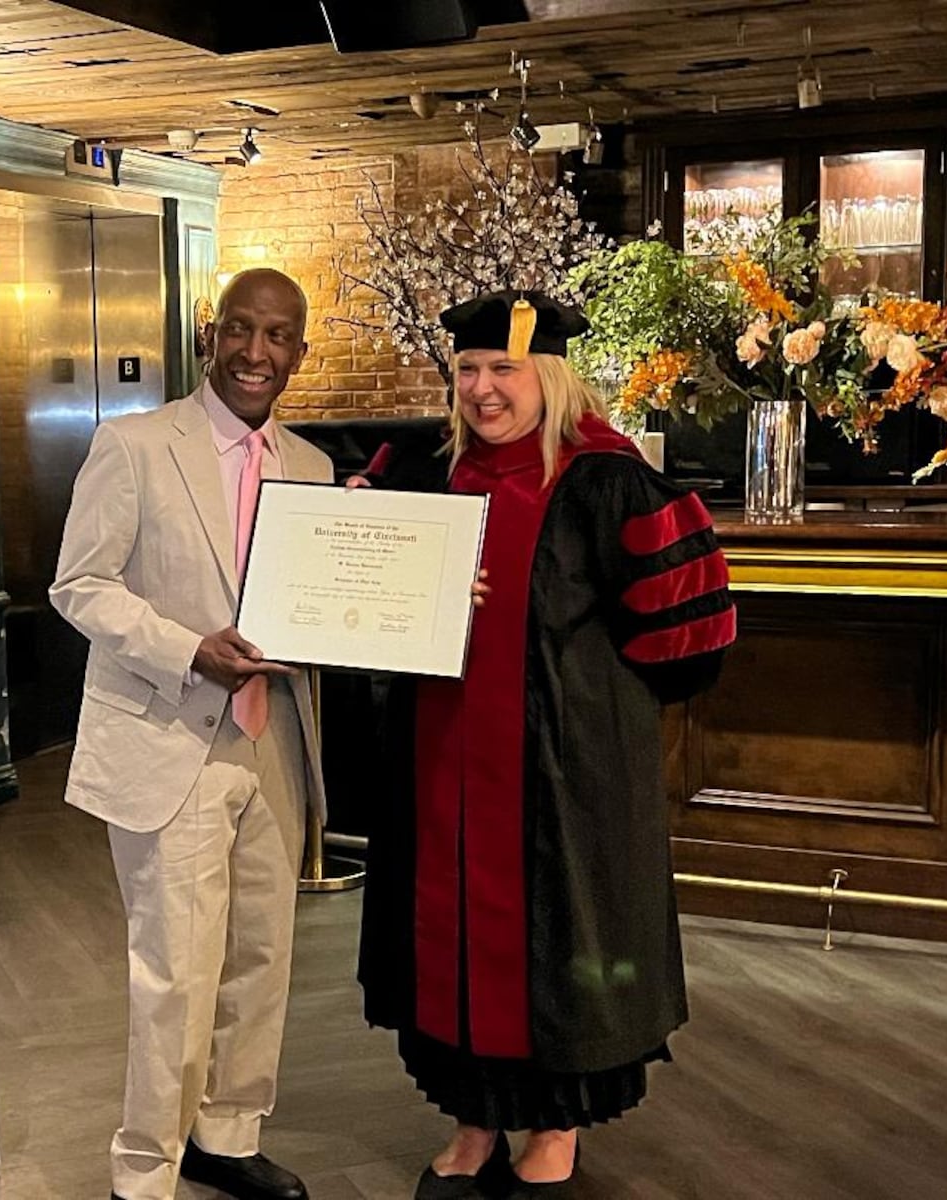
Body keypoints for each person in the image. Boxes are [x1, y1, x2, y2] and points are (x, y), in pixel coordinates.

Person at [355, 291, 737, 1199]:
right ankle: (474, 1120)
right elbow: (361, 601)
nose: (485, 391)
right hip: (439, 761)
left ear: (550, 376)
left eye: (505, 370)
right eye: (470, 372)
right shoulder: (420, 471)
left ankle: (555, 1127)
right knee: (446, 936)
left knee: (561, 939)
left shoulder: (607, 481)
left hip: (563, 775)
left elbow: (690, 638)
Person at [50, 268, 334, 1200]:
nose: (258, 354)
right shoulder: (133, 445)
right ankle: (145, 1171)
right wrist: (186, 649)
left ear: (300, 350)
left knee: (261, 954)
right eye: (242, 332)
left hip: (275, 742)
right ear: (210, 336)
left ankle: (228, 1135)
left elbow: (327, 608)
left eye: (280, 337)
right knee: (174, 969)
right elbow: (79, 585)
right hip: (168, 735)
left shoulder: (314, 470)